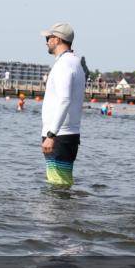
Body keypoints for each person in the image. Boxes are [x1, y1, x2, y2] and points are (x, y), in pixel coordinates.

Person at [40, 22, 86, 186]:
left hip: (59, 135)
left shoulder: (64, 64)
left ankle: (58, 212)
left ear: (57, 39)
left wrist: (51, 135)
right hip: (67, 134)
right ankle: (65, 211)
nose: (46, 41)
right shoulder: (75, 63)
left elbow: (65, 100)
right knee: (62, 184)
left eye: (48, 38)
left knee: (57, 185)